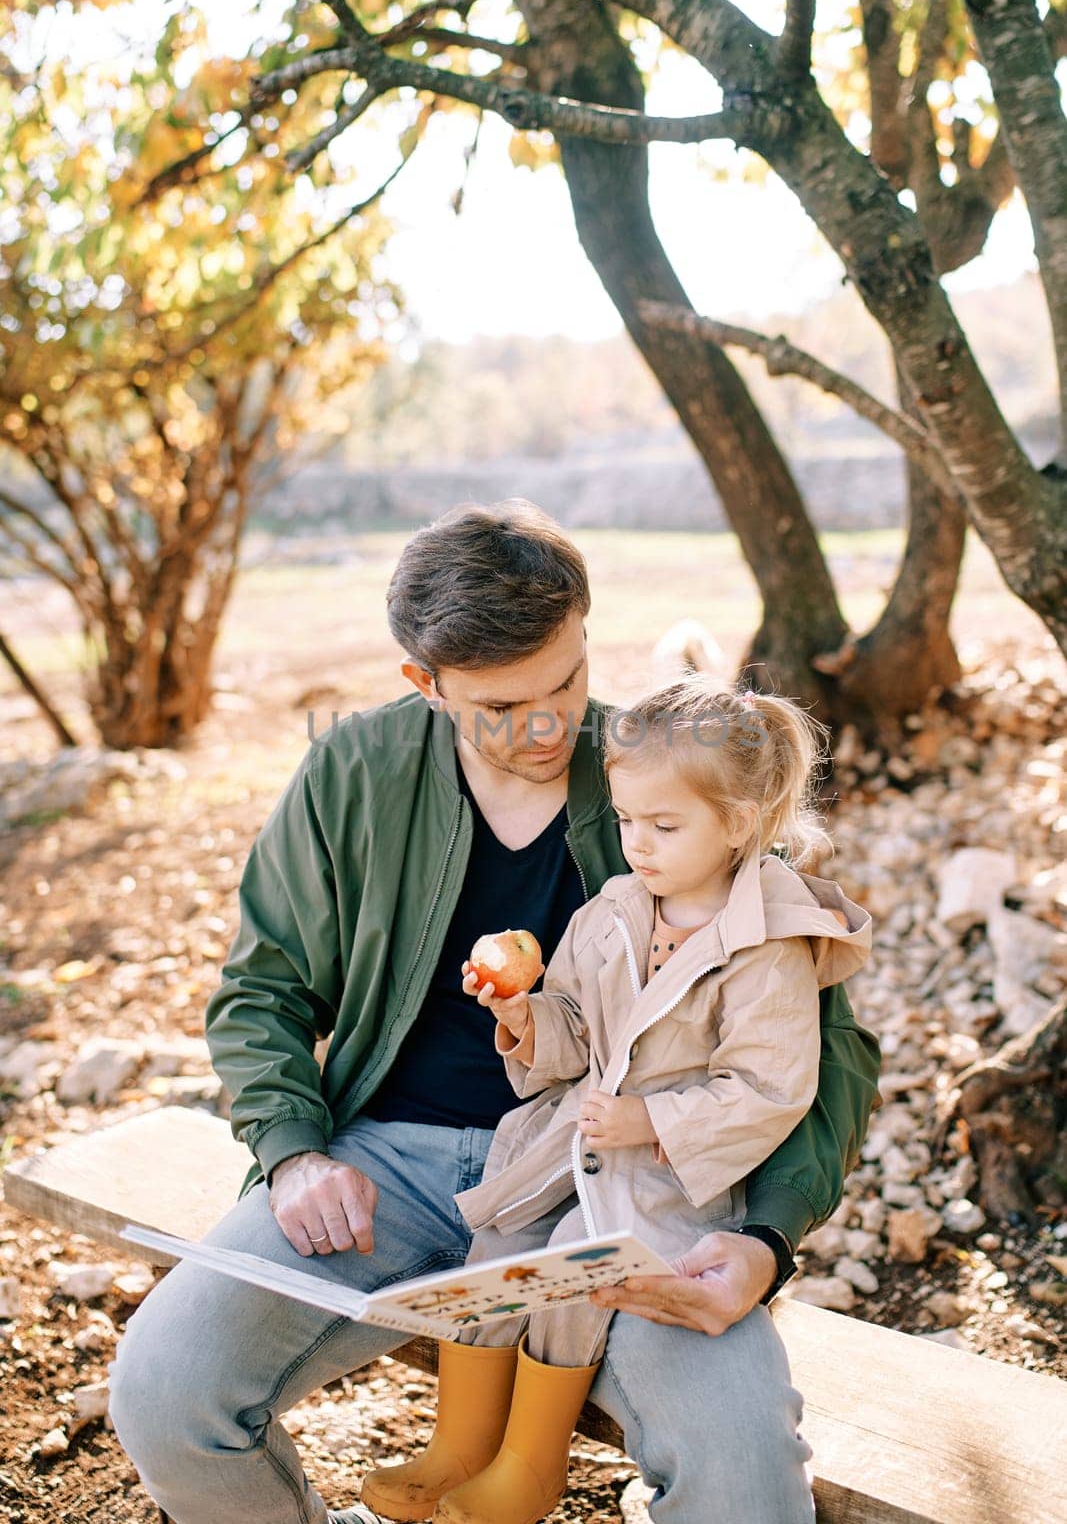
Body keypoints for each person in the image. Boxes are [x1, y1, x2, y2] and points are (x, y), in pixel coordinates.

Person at [107, 499, 881, 1524]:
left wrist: (767, 1239)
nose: (549, 725)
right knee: (164, 1395)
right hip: (381, 1167)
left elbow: (821, 1045)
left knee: (743, 1471)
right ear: (423, 684)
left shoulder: (671, 772)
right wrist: (293, 1152)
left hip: (624, 1196)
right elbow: (263, 988)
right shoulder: (353, 771)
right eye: (500, 707)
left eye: (566, 681)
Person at [360, 678, 873, 1524]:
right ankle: (459, 1444)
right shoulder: (612, 912)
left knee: (570, 1265)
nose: (636, 844)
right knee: (495, 1243)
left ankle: (527, 1468)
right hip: (573, 1138)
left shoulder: (766, 949)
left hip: (664, 1177)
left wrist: (651, 1120)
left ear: (739, 823)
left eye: (664, 827)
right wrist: (523, 1018)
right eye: (628, 821)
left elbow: (769, 1087)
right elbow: (574, 1028)